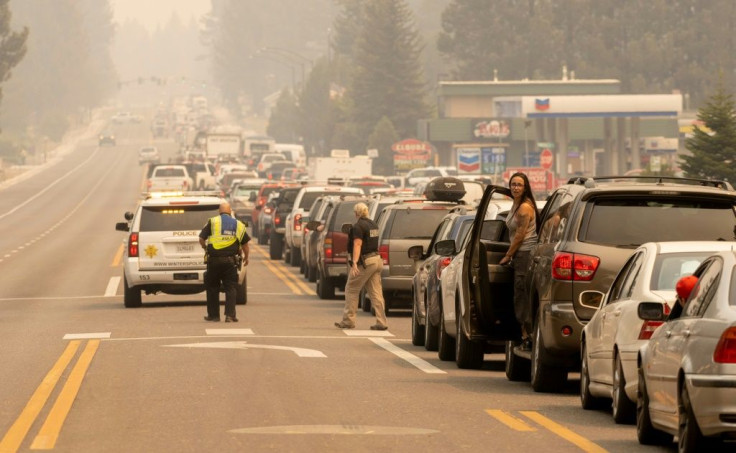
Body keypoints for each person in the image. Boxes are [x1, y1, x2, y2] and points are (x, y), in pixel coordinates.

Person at [499, 172, 540, 351]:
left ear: (525, 188)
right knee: (519, 294)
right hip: (519, 255)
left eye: (519, 185)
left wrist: (508, 255)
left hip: (524, 254)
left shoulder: (524, 208)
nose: (515, 187)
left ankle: (527, 336)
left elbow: (520, 235)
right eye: (513, 184)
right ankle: (523, 333)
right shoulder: (515, 205)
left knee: (522, 295)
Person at [335, 202, 388, 330]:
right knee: (376, 293)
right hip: (376, 260)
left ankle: (348, 321)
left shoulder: (358, 226)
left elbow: (357, 245)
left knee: (351, 289)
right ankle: (382, 322)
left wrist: (354, 263)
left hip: (366, 261)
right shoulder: (373, 224)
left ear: (356, 213)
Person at [199, 201, 250, 322]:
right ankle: (230, 316)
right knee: (231, 288)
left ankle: (214, 316)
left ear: (219, 211)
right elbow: (245, 245)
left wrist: (206, 248)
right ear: (230, 211)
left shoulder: (212, 222)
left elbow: (201, 239)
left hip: (214, 261)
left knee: (212, 287)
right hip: (230, 262)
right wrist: (246, 257)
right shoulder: (238, 224)